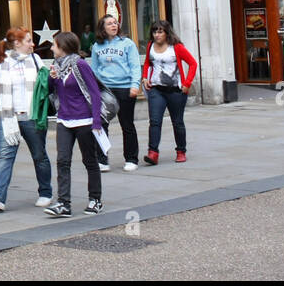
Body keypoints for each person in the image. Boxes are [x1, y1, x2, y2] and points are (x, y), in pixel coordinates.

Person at [0, 27, 52, 212]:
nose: (33, 44)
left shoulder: (36, 60)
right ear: (17, 43)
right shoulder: (0, 64)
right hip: (9, 118)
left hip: (32, 117)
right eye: (29, 40)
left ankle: (45, 192)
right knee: (5, 158)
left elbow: (46, 82)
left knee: (39, 156)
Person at [44, 31, 104, 217]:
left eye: (54, 45)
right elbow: (50, 90)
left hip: (84, 119)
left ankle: (95, 199)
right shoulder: (57, 65)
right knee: (63, 161)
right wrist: (52, 78)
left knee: (90, 161)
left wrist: (96, 120)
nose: (52, 48)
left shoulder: (80, 65)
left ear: (63, 47)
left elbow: (95, 93)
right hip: (64, 119)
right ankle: (63, 203)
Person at [90, 14, 142, 172]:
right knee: (101, 125)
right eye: (109, 24)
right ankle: (102, 160)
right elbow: (95, 69)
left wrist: (135, 85)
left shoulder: (127, 44)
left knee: (127, 124)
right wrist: (95, 89)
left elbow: (135, 66)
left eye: (115, 23)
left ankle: (131, 158)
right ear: (103, 28)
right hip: (105, 89)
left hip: (125, 88)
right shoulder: (96, 46)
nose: (114, 26)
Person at [142, 19, 198, 164]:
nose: (157, 35)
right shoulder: (150, 46)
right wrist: (144, 78)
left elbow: (192, 63)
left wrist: (187, 83)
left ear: (167, 33)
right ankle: (152, 152)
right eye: (154, 32)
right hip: (156, 89)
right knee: (154, 121)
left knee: (177, 122)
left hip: (175, 91)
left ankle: (181, 151)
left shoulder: (177, 47)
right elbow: (148, 62)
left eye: (160, 32)